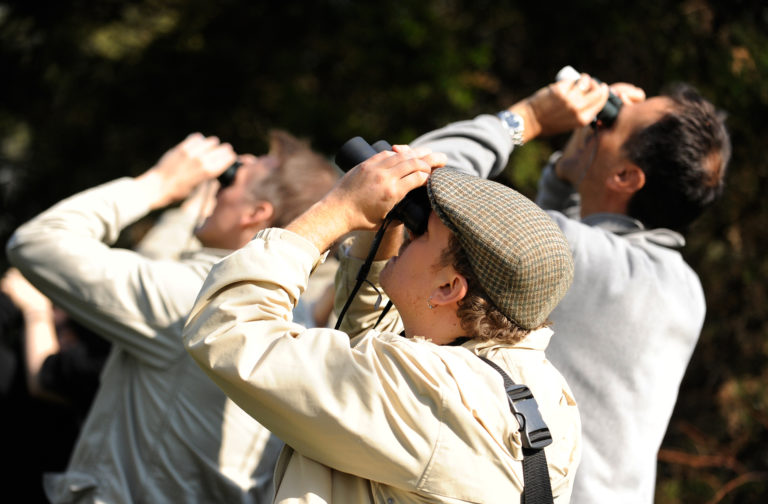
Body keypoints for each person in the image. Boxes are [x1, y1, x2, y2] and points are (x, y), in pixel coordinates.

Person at [182, 144, 582, 502]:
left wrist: (337, 211)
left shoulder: (433, 393)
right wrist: (385, 230)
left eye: (422, 233)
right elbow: (370, 362)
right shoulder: (542, 391)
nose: (411, 229)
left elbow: (229, 330)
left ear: (447, 287)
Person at [409, 72, 731, 503]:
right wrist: (564, 176)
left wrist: (526, 118)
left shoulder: (591, 260)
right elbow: (551, 266)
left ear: (625, 177)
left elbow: (410, 171)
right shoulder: (686, 290)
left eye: (613, 122)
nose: (598, 122)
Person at [6, 130, 340, 503]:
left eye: (231, 182)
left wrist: (160, 184)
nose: (216, 189)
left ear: (255, 214)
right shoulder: (296, 318)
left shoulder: (193, 300)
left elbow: (37, 242)